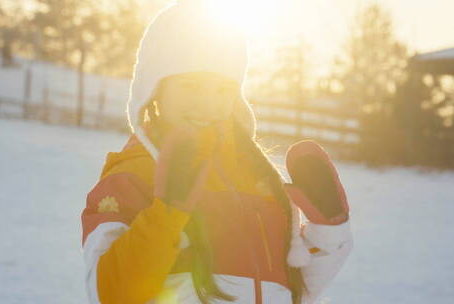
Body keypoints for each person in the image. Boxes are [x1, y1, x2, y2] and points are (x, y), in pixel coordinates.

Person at [80, 1, 353, 303]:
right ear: (156, 87)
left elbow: (294, 290)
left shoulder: (258, 178)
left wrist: (329, 233)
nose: (208, 103)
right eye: (192, 86)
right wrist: (167, 214)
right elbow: (109, 294)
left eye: (222, 89)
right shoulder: (133, 175)